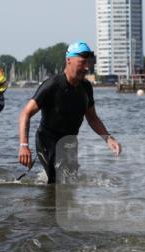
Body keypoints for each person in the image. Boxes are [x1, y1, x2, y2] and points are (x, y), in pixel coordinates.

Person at [18, 41, 121, 184]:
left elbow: (92, 118)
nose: (87, 67)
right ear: (69, 60)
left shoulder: (86, 87)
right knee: (56, 179)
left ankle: (50, 203)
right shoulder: (52, 85)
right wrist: (24, 146)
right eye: (82, 62)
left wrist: (108, 138)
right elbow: (25, 113)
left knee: (70, 184)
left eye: (89, 63)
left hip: (70, 143)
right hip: (47, 141)